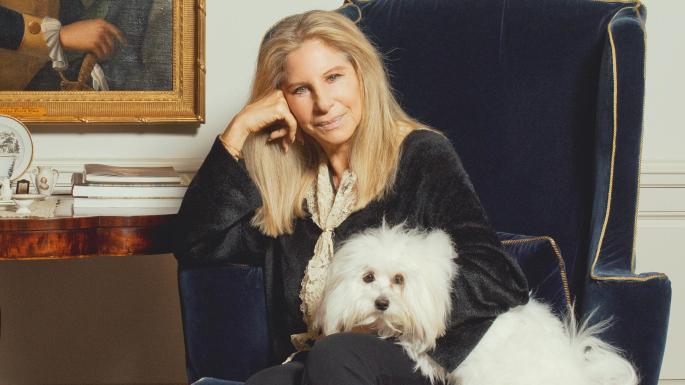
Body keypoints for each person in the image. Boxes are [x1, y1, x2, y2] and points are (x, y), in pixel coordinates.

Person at [173, 10, 529, 385]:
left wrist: (397, 310)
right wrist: (237, 132)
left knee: (335, 353)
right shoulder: (288, 184)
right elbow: (194, 243)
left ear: (362, 75)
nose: (323, 103)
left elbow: (499, 277)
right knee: (270, 380)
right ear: (281, 101)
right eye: (301, 89)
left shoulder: (421, 155)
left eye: (333, 78)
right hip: (322, 360)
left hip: (416, 358)